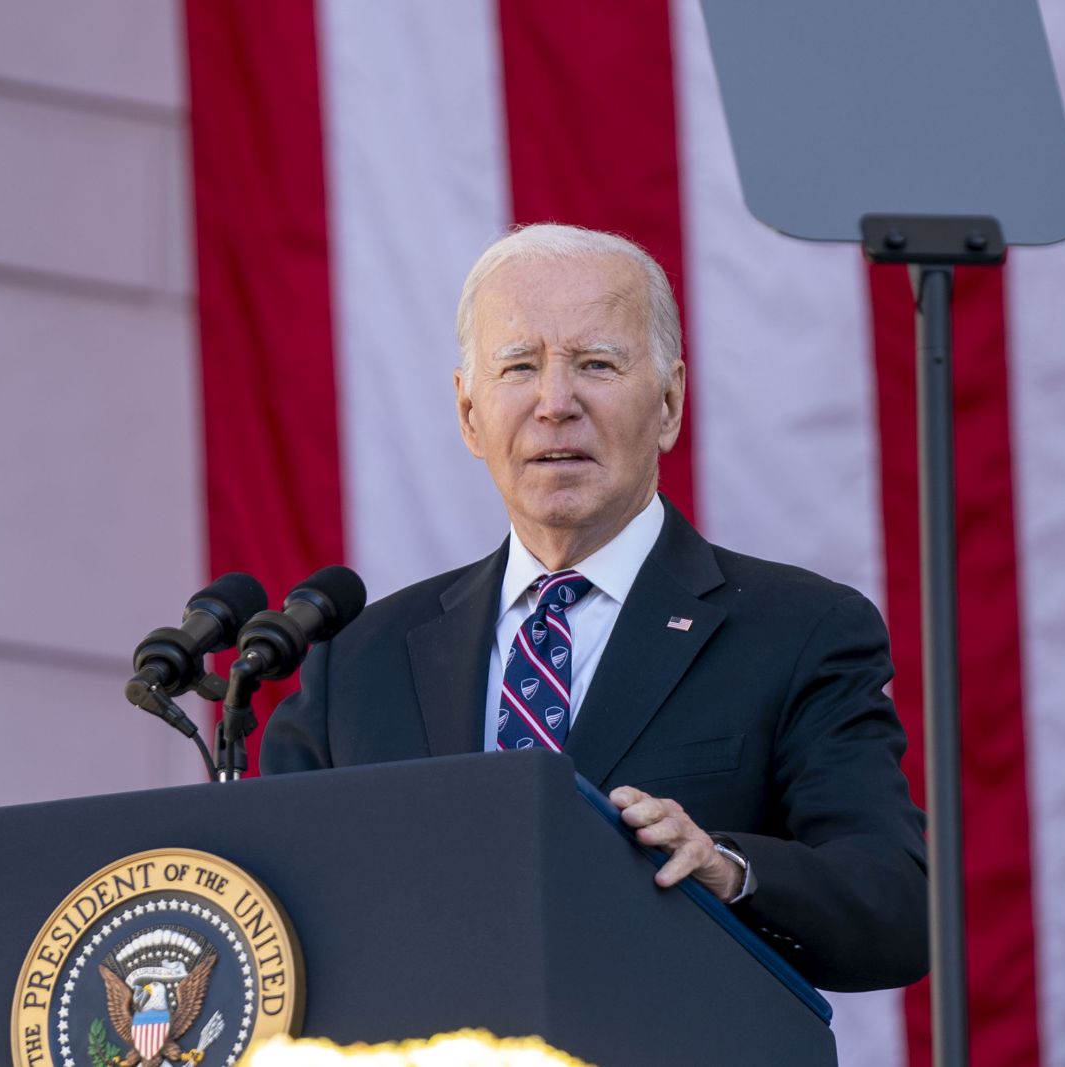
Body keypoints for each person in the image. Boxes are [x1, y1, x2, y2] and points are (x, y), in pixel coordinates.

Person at [258, 223, 928, 993]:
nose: (555, 403)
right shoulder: (361, 659)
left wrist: (724, 867)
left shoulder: (800, 631)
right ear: (470, 412)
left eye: (596, 364)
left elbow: (898, 906)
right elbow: (279, 905)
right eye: (519, 366)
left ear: (670, 401)